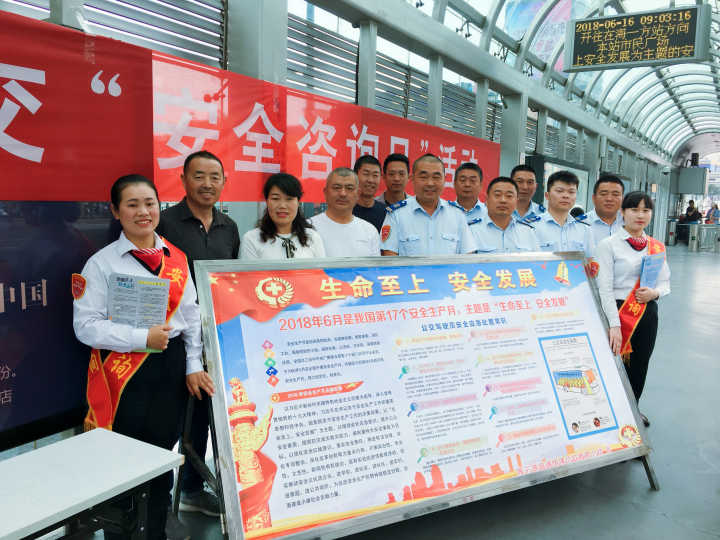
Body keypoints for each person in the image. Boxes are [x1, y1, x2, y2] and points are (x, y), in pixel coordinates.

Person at [73, 175, 214, 540]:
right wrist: (142, 338)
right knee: (120, 461)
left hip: (170, 368)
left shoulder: (176, 258)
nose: (143, 212)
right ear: (115, 211)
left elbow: (191, 318)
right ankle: (120, 532)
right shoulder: (101, 264)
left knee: (160, 456)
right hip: (124, 376)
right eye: (132, 204)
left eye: (149, 203)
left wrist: (193, 366)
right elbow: (85, 327)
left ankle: (155, 530)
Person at [155, 150, 238, 526]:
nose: (207, 184)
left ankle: (190, 489)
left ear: (224, 182)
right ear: (183, 179)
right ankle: (157, 501)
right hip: (171, 337)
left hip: (213, 336)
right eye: (199, 176)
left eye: (214, 177)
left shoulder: (228, 226)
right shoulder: (164, 223)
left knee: (204, 410)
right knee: (168, 416)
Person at [595, 191, 670, 428]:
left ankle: (632, 412)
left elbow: (665, 283)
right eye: (634, 209)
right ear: (622, 213)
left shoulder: (656, 246)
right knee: (614, 367)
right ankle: (610, 416)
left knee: (640, 365)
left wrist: (654, 293)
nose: (640, 215)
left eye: (646, 210)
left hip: (647, 313)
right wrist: (614, 325)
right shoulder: (608, 245)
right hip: (616, 312)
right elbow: (604, 288)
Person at [380, 154, 476, 256]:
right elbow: (388, 256)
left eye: (436, 177)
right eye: (423, 177)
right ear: (412, 179)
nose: (430, 183)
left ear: (444, 179)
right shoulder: (396, 215)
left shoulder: (457, 215)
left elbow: (468, 255)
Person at [241, 173, 325, 259]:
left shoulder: (312, 237)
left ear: (298, 202)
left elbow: (321, 268)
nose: (282, 206)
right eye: (275, 199)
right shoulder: (251, 239)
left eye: (289, 199)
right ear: (267, 201)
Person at [310, 167, 379, 257]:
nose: (343, 193)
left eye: (349, 188)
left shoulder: (370, 231)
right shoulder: (309, 227)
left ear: (358, 194)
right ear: (325, 192)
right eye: (337, 188)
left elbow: (374, 266)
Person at [534, 170, 595, 257]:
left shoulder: (585, 229)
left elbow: (590, 260)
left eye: (571, 192)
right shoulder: (533, 227)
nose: (566, 196)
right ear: (547, 195)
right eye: (559, 191)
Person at [473, 177, 539, 253]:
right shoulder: (472, 231)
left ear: (516, 201)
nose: (503, 200)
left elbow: (537, 260)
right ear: (487, 199)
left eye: (509, 196)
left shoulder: (528, 232)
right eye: (497, 195)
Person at [450, 162, 487, 235]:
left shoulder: (489, 214)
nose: (467, 184)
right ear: (454, 184)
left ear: (481, 185)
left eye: (472, 181)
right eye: (463, 180)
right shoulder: (445, 213)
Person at [352, 155, 386, 232]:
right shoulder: (345, 209)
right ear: (355, 176)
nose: (370, 180)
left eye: (375, 175)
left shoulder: (386, 213)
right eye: (366, 174)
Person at [587, 174, 625, 241]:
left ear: (623, 199)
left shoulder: (629, 222)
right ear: (594, 198)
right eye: (603, 194)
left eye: (615, 194)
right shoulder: (581, 223)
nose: (609, 199)